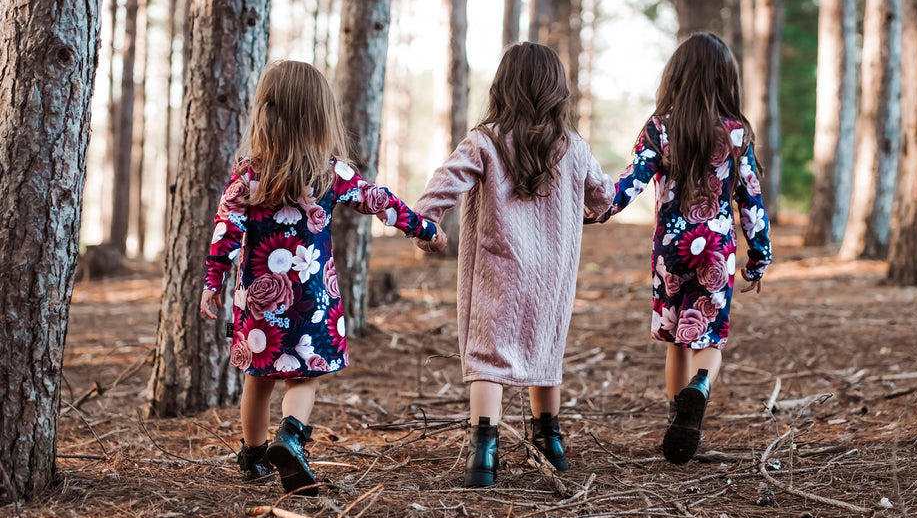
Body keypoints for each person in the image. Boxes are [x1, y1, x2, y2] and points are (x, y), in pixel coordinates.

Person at [199, 60, 444, 495]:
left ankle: (253, 458)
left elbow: (226, 232)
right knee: (302, 377)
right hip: (312, 300)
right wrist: (424, 229)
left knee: (257, 380)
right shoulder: (329, 173)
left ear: (265, 113)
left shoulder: (248, 175)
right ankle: (291, 437)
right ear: (320, 117)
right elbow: (379, 202)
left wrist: (212, 283)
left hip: (258, 302)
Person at [414, 42, 614, 487]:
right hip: (552, 277)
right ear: (557, 93)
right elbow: (603, 200)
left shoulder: (483, 142)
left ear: (502, 88)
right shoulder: (574, 148)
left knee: (489, 358)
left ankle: (482, 456)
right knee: (547, 351)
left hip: (495, 270)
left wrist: (427, 223)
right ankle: (551, 443)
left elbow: (443, 183)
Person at [594, 33, 772, 465]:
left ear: (676, 76)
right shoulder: (736, 133)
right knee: (708, 334)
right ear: (725, 80)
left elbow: (628, 186)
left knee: (677, 339)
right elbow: (751, 199)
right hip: (717, 249)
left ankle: (679, 419)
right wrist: (759, 256)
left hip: (671, 251)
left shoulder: (660, 128)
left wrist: (596, 209)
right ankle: (702, 385)